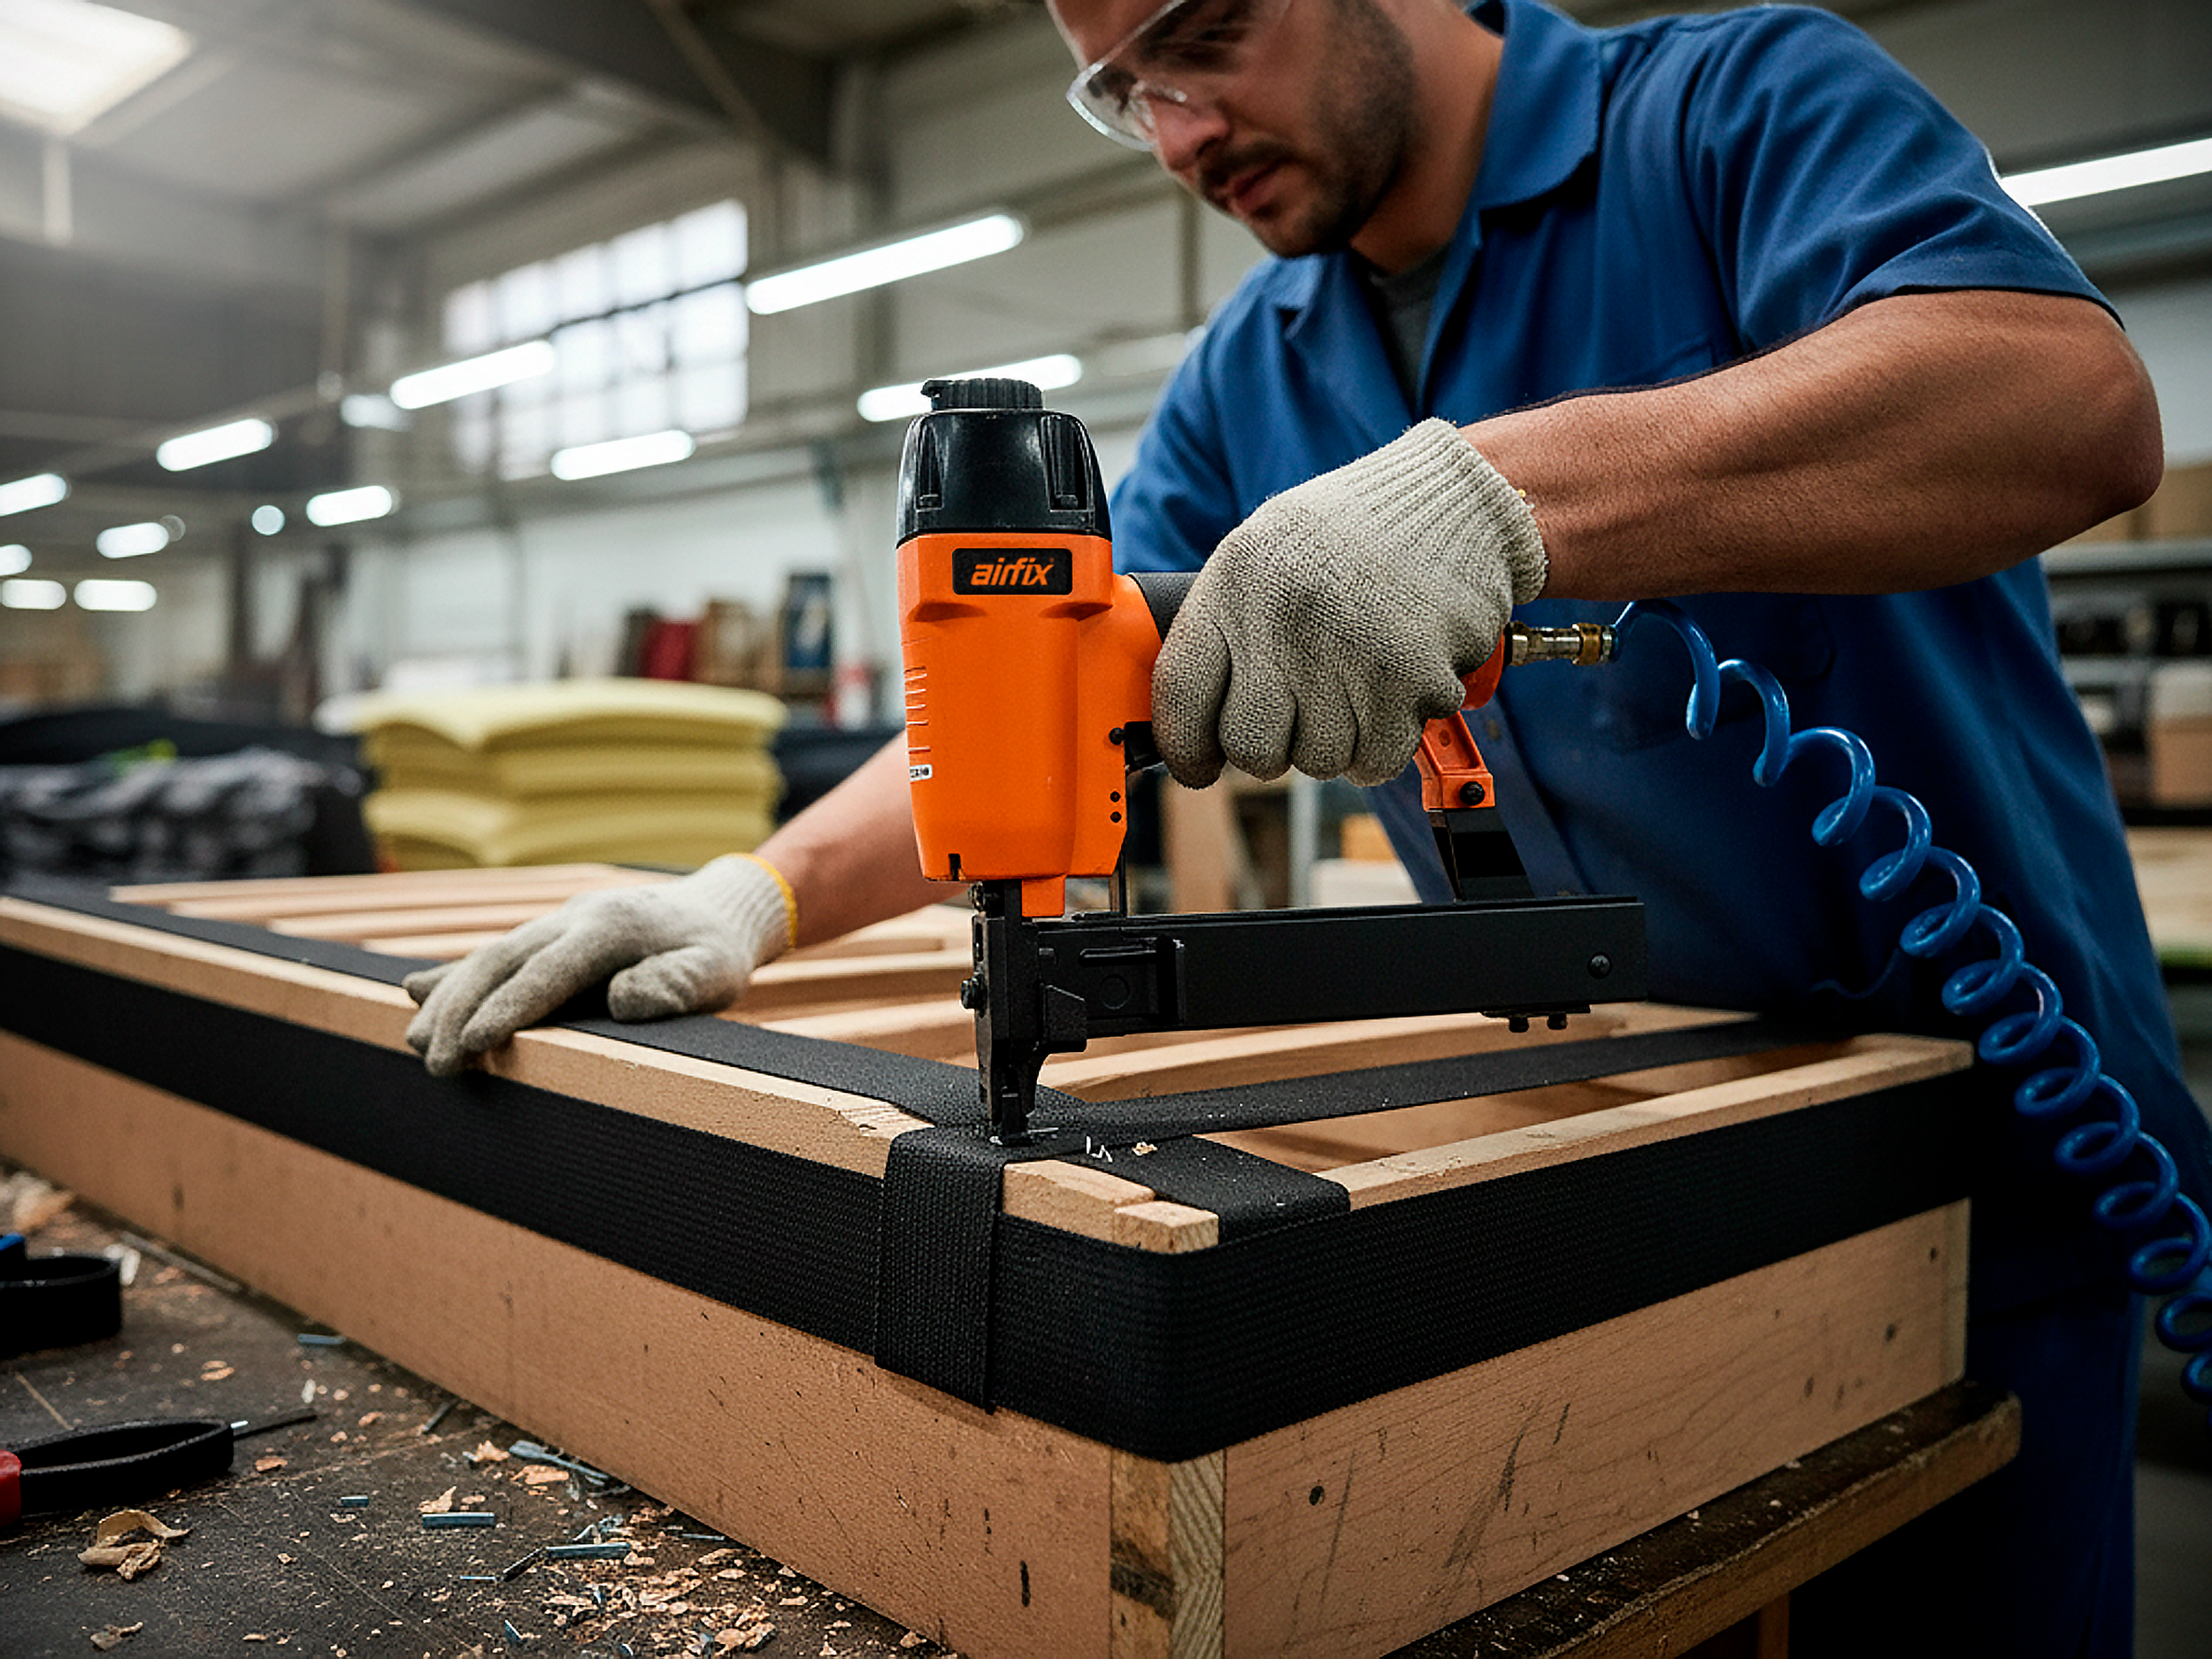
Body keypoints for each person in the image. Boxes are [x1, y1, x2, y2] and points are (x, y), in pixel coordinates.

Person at [405, 2, 2210, 1652]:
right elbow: (1055, 671)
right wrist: (764, 883)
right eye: (1123, 92)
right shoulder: (1248, 374)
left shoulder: (1728, 112)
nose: (1181, 129)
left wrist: (1504, 494)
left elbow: (2063, 402)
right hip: (1603, 1165)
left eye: (1205, 36)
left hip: (1969, 1155)